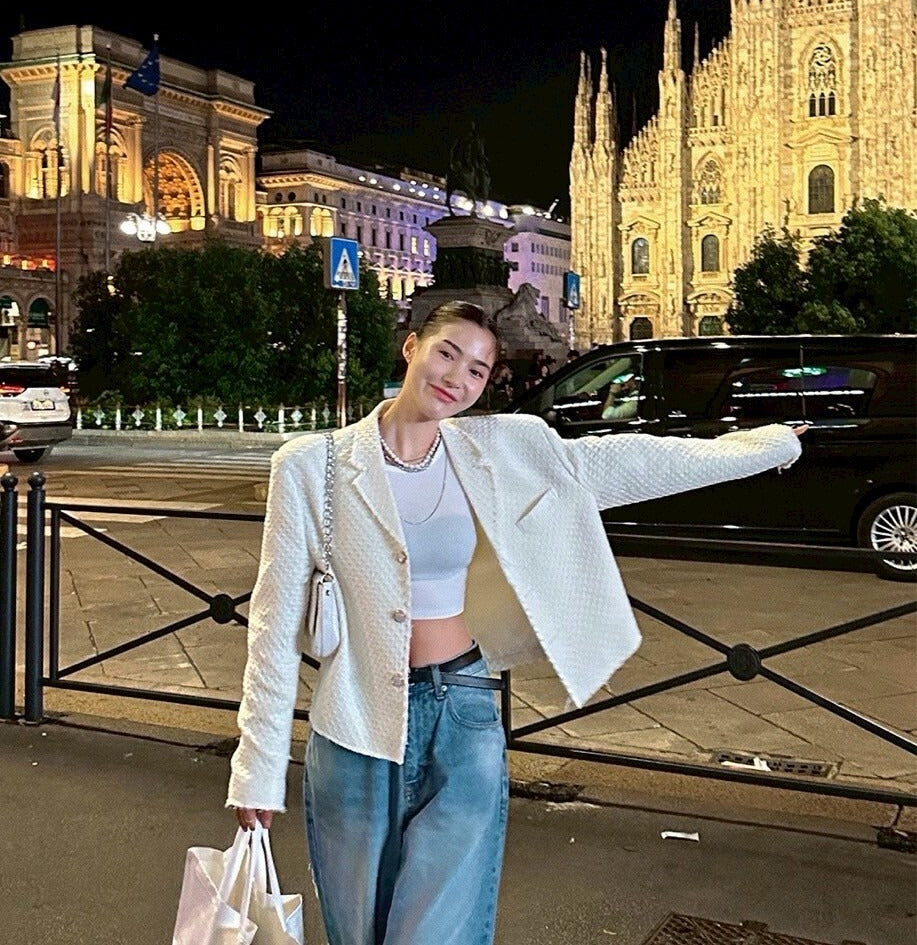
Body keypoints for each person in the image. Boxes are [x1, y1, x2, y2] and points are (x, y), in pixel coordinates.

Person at [227, 300, 808, 945]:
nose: (457, 378)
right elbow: (273, 625)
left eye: (478, 370)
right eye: (447, 353)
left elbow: (627, 462)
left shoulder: (497, 448)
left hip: (464, 708)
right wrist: (257, 769)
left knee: (438, 933)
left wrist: (761, 447)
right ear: (412, 347)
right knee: (359, 929)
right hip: (355, 722)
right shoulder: (312, 465)